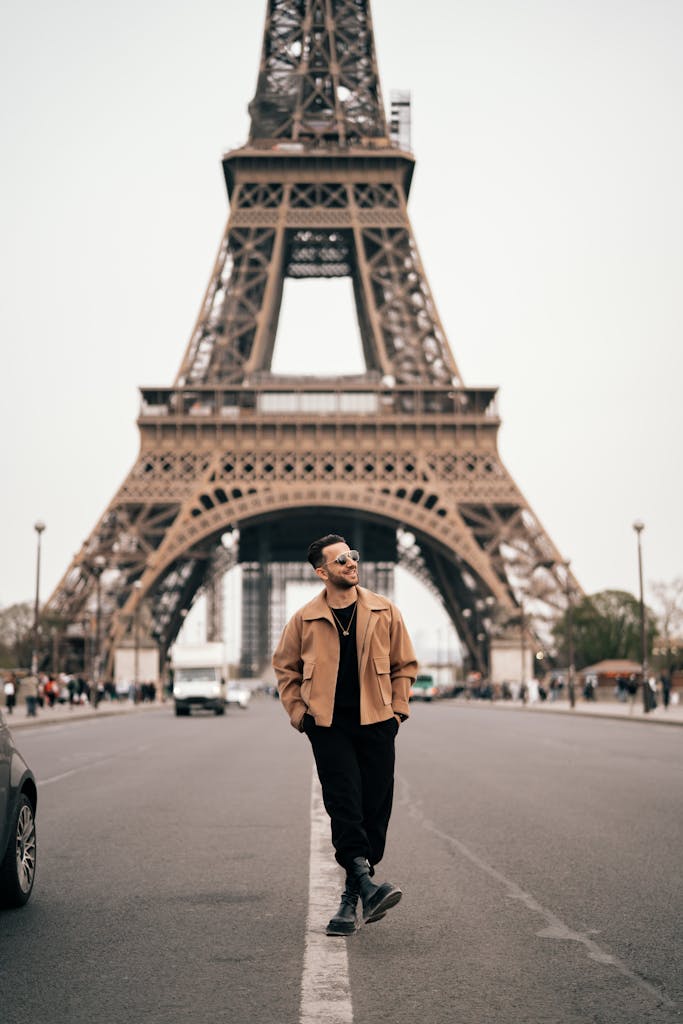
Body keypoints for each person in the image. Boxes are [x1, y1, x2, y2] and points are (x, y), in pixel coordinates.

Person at [272, 534, 417, 937]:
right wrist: (301, 715)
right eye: (340, 560)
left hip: (377, 722)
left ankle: (355, 894)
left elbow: (405, 663)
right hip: (329, 726)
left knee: (375, 811)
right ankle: (363, 889)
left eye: (352, 556)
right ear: (322, 572)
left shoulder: (385, 611)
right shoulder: (304, 619)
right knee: (344, 806)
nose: (351, 563)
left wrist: (398, 711)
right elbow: (285, 669)